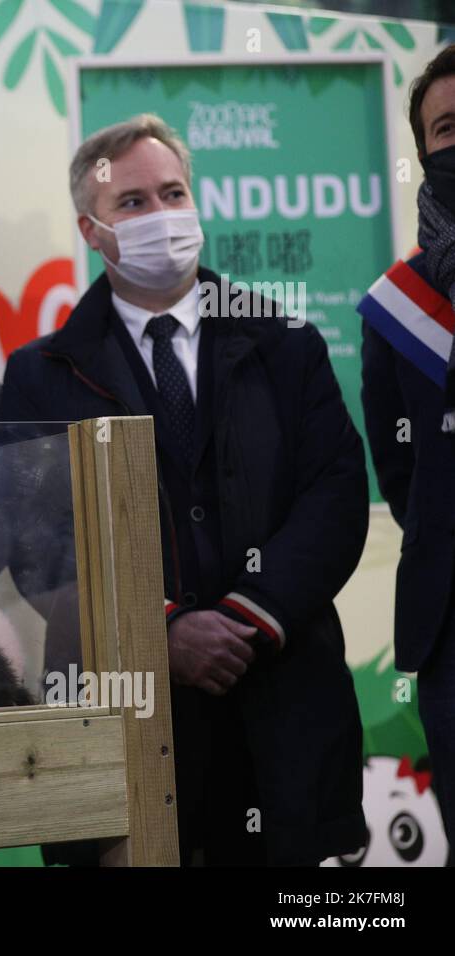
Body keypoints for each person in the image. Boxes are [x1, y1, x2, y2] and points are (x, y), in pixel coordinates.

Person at [0, 114, 368, 866]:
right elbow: (34, 540)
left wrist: (247, 615)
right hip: (124, 715)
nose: (161, 215)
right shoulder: (40, 374)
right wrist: (160, 627)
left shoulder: (285, 344)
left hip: (278, 705)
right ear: (91, 229)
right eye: (132, 202)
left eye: (173, 192)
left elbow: (334, 495)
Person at [359, 45, 455, 854]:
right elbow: (402, 474)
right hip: (449, 632)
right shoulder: (396, 308)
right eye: (446, 129)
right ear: (424, 152)